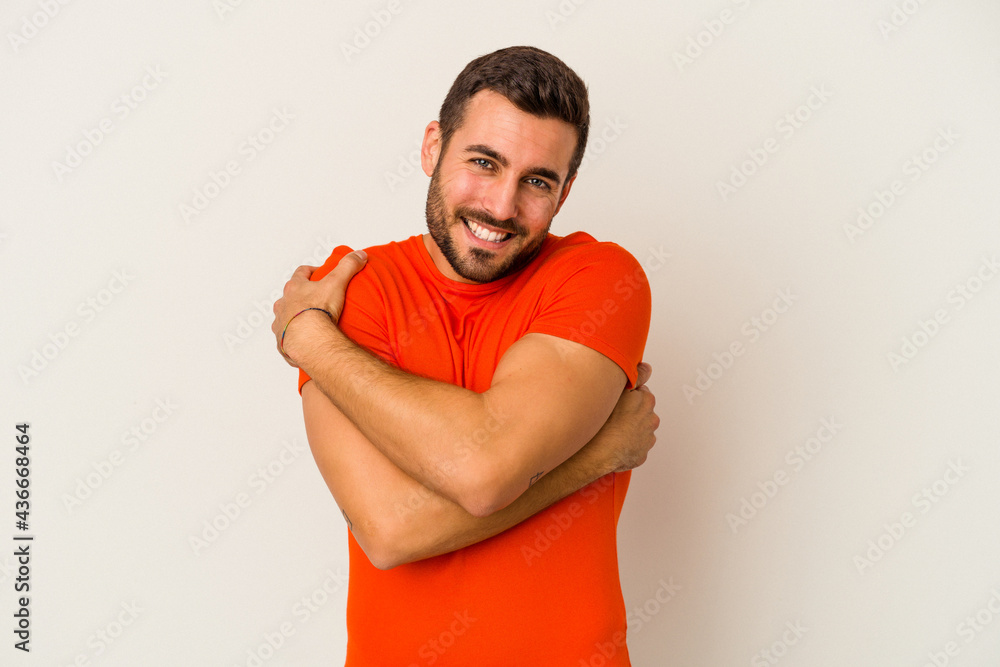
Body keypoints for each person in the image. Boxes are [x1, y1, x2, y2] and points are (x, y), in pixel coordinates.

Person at [271, 45, 659, 666]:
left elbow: (485, 470)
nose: (502, 207)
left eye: (537, 181)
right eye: (484, 162)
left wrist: (314, 344)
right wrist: (595, 456)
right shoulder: (351, 284)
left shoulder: (600, 279)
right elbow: (390, 532)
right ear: (433, 147)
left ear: (566, 192)